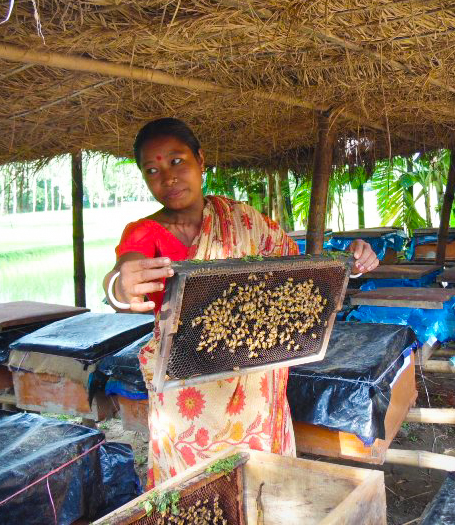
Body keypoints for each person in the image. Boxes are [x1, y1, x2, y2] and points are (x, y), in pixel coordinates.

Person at [103, 118, 379, 487]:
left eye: (176, 161)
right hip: (185, 399)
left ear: (201, 160)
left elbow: (299, 271)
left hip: (254, 385)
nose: (167, 177)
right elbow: (123, 275)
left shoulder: (243, 220)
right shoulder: (144, 233)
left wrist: (353, 263)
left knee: (260, 485)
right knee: (196, 491)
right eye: (152, 170)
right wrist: (119, 287)